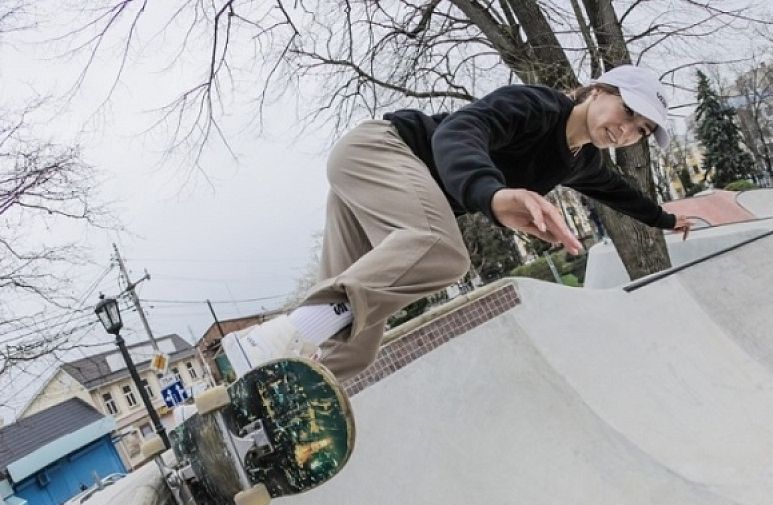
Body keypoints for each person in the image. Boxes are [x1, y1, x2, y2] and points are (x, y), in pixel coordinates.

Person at [221, 65, 693, 381]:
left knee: (353, 352)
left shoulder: (581, 162)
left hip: (374, 199)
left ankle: (258, 394)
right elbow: (459, 132)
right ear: (596, 91)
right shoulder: (537, 106)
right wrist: (491, 194)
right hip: (381, 151)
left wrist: (667, 218)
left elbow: (621, 194)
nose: (626, 130)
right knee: (442, 251)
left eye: (640, 131)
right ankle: (270, 340)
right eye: (627, 111)